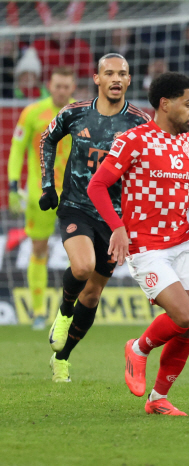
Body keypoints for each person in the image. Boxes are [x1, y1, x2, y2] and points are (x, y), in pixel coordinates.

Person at [87, 72, 189, 416]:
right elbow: (97, 185)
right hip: (146, 247)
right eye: (188, 103)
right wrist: (117, 227)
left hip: (182, 244)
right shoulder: (133, 140)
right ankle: (138, 348)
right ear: (165, 104)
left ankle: (158, 399)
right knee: (182, 315)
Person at [39, 53, 151, 383]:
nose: (116, 78)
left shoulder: (140, 123)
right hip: (77, 206)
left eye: (122, 74)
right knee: (82, 267)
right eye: (109, 73)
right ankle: (64, 311)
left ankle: (62, 358)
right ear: (97, 79)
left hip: (115, 219)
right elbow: (47, 139)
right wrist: (48, 185)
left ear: (128, 80)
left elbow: (150, 166)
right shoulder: (74, 113)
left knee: (92, 294)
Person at [7, 66, 76, 330]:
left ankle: (71, 310)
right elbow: (17, 150)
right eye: (57, 86)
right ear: (49, 86)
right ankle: (38, 313)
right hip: (41, 193)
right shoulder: (32, 112)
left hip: (73, 193)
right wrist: (14, 185)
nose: (61, 91)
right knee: (39, 249)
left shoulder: (81, 112)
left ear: (72, 88)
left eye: (66, 86)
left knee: (80, 252)